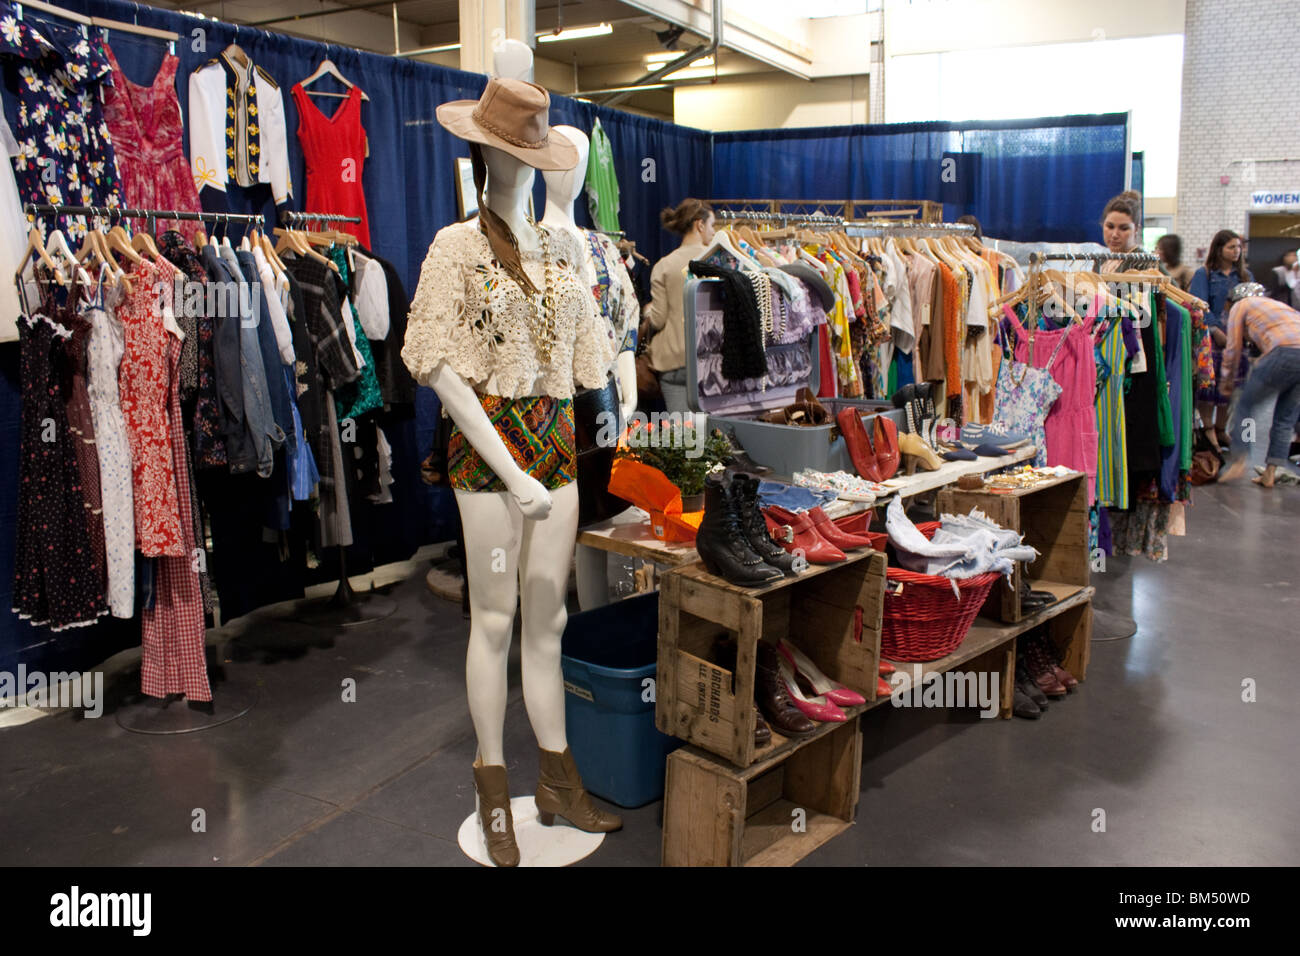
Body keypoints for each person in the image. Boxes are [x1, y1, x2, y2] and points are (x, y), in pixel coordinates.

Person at [1217, 284, 1300, 487]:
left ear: (1231, 302)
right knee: (1285, 418)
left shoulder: (1241, 306)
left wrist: (1227, 379)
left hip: (1284, 352)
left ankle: (1239, 458)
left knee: (1246, 404)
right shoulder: (1278, 306)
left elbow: (1233, 348)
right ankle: (1271, 473)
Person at [642, 198, 715, 413]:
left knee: (683, 435)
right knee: (713, 434)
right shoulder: (718, 261)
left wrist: (648, 310)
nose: (713, 232)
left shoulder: (664, 265)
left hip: (673, 360)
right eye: (712, 225)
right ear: (699, 224)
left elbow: (659, 318)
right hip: (710, 359)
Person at [1190, 230, 1254, 449]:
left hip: (1238, 341)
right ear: (1219, 249)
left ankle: (1221, 429)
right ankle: (1208, 433)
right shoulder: (1205, 274)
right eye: (1231, 247)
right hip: (1212, 341)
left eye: (1239, 247)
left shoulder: (1245, 276)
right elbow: (1199, 305)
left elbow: (1253, 306)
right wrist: (1216, 330)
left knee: (1230, 388)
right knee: (1209, 389)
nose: (1236, 251)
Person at [1099, 190, 1143, 272]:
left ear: (1136, 229)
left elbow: (1171, 284)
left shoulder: (1145, 262)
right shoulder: (1101, 261)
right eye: (1110, 227)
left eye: (1124, 228)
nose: (1115, 235)